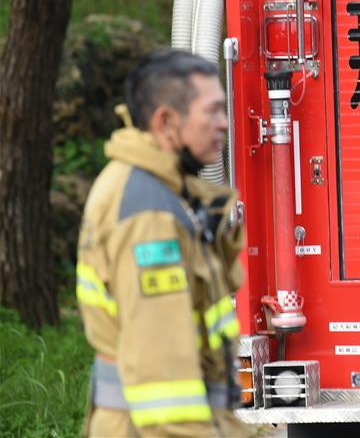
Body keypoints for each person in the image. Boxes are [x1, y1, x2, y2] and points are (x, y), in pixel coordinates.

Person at [76, 49, 249, 437]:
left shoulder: (160, 192)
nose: (224, 124)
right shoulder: (148, 212)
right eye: (213, 111)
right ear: (166, 121)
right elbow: (164, 380)